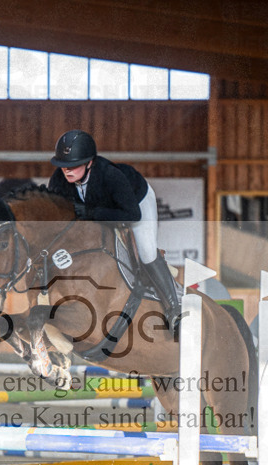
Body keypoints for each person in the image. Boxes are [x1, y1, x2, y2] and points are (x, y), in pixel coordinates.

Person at [47, 129, 181, 329]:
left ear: (90, 162)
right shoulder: (58, 182)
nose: (67, 170)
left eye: (73, 165)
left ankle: (174, 308)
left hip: (136, 202)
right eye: (63, 165)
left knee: (146, 251)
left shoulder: (111, 176)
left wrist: (91, 213)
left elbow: (131, 215)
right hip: (100, 211)